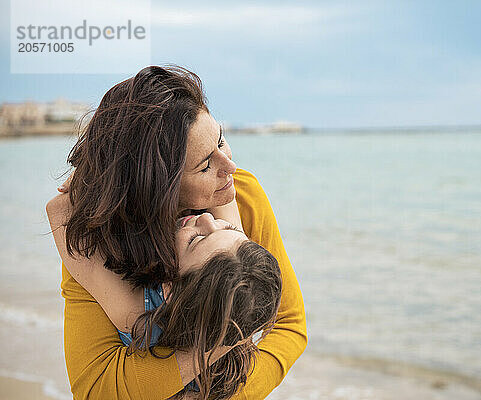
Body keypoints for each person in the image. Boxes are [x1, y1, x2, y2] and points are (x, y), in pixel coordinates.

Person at [48, 65, 307, 399]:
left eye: (221, 139)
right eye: (204, 165)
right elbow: (95, 388)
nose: (230, 166)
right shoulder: (97, 239)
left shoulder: (240, 196)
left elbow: (289, 324)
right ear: (158, 187)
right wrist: (223, 336)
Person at [48, 197, 283, 400]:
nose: (205, 219)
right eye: (229, 229)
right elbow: (225, 190)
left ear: (170, 288)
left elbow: (60, 210)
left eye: (196, 240)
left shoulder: (133, 314)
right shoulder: (235, 311)